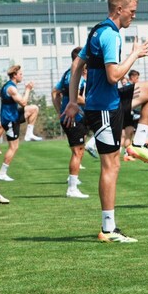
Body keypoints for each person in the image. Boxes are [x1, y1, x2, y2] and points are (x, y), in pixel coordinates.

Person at [62, 0, 148, 243]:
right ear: (119, 10)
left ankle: (139, 142)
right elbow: (114, 75)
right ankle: (108, 229)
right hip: (104, 108)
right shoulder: (110, 35)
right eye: (132, 11)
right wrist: (135, 54)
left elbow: (77, 65)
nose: (134, 16)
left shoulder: (98, 29)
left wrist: (73, 101)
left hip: (112, 101)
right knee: (111, 166)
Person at [52, 46, 89, 199]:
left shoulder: (68, 73)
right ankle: (72, 188)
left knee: (80, 149)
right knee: (77, 151)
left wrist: (59, 110)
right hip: (74, 118)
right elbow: (79, 98)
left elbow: (55, 92)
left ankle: (73, 180)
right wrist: (93, 104)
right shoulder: (76, 74)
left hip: (71, 117)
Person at [0, 65, 40, 181]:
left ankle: (29, 133)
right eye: (20, 74)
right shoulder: (11, 88)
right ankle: (2, 173)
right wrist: (28, 89)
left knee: (34, 108)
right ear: (14, 75)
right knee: (13, 147)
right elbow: (24, 103)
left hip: (14, 115)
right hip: (9, 120)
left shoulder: (9, 86)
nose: (22, 76)